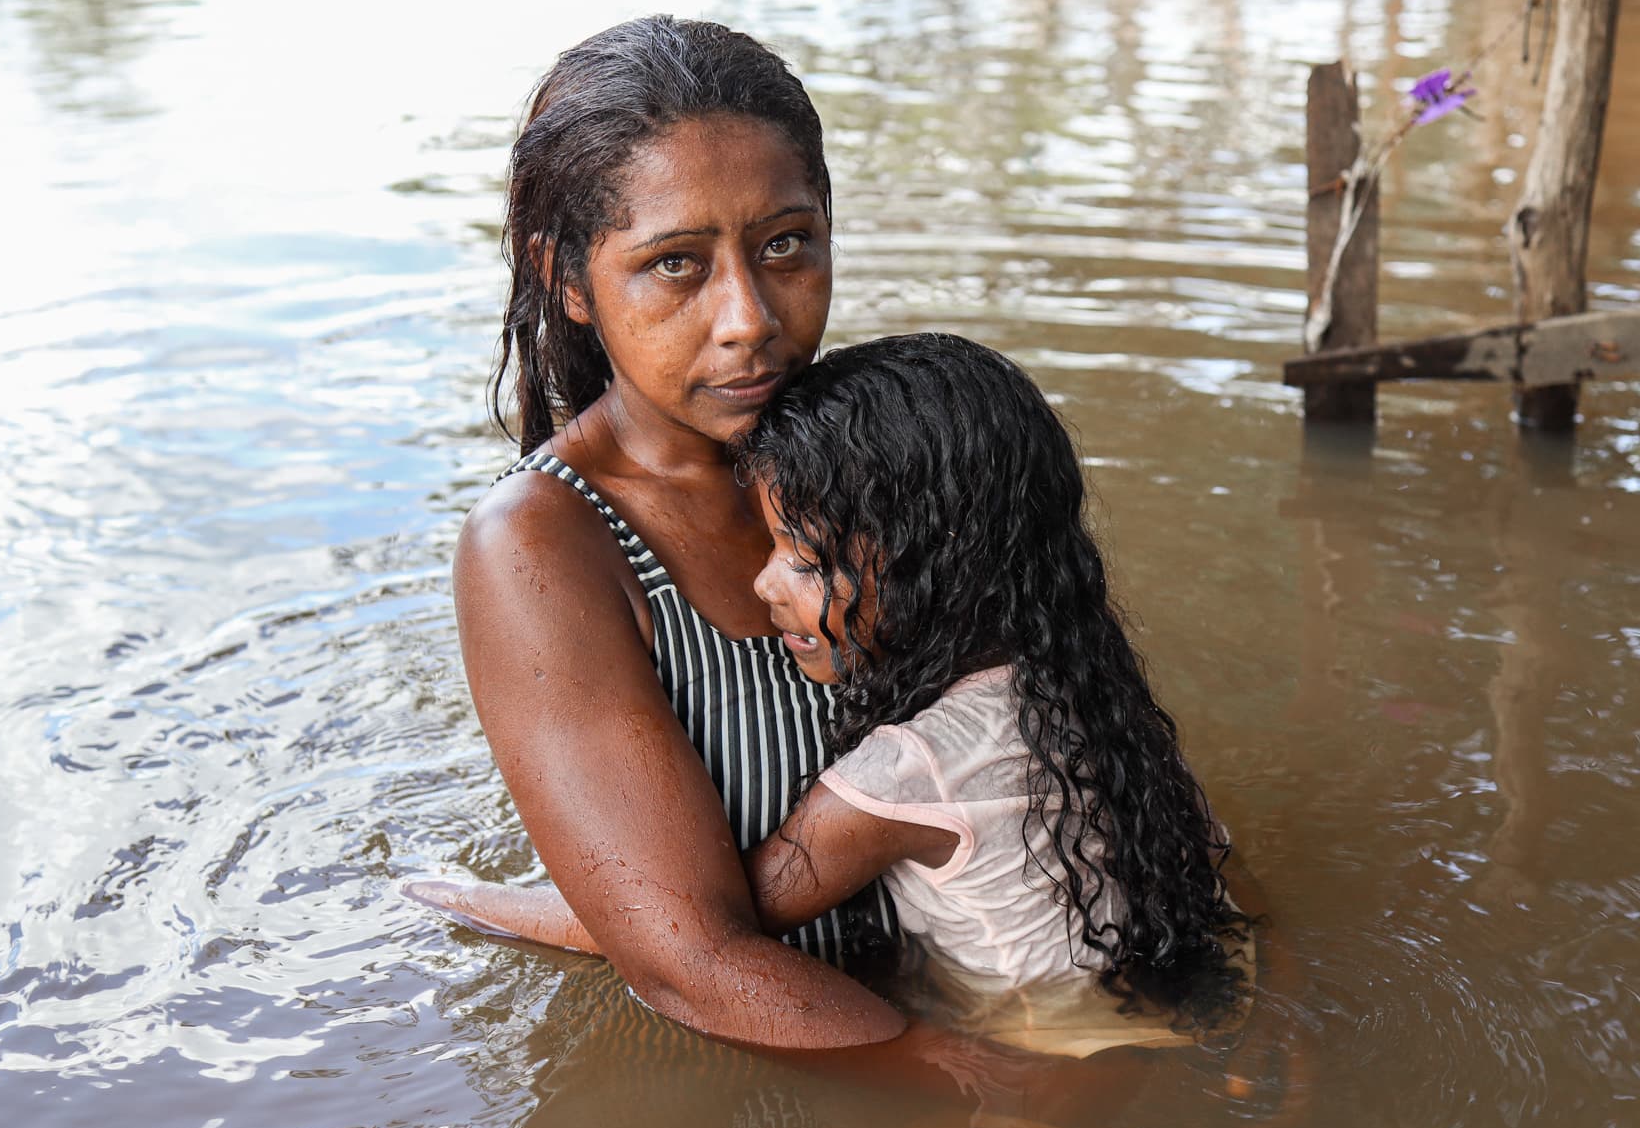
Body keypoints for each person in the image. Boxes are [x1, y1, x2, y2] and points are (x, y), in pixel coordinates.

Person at [427, 333, 1252, 1037]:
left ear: (934, 570)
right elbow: (1215, 866)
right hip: (1163, 1018)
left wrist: (469, 899)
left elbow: (690, 924)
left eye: (805, 560)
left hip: (1047, 1061)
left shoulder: (905, 771)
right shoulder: (1075, 686)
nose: (763, 585)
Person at [446, 14, 907, 1050]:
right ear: (567, 279)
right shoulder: (542, 547)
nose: (749, 317)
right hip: (782, 1102)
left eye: (783, 245)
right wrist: (994, 1094)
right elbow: (695, 968)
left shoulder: (899, 454)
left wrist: (1236, 964)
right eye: (675, 264)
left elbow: (1081, 724)